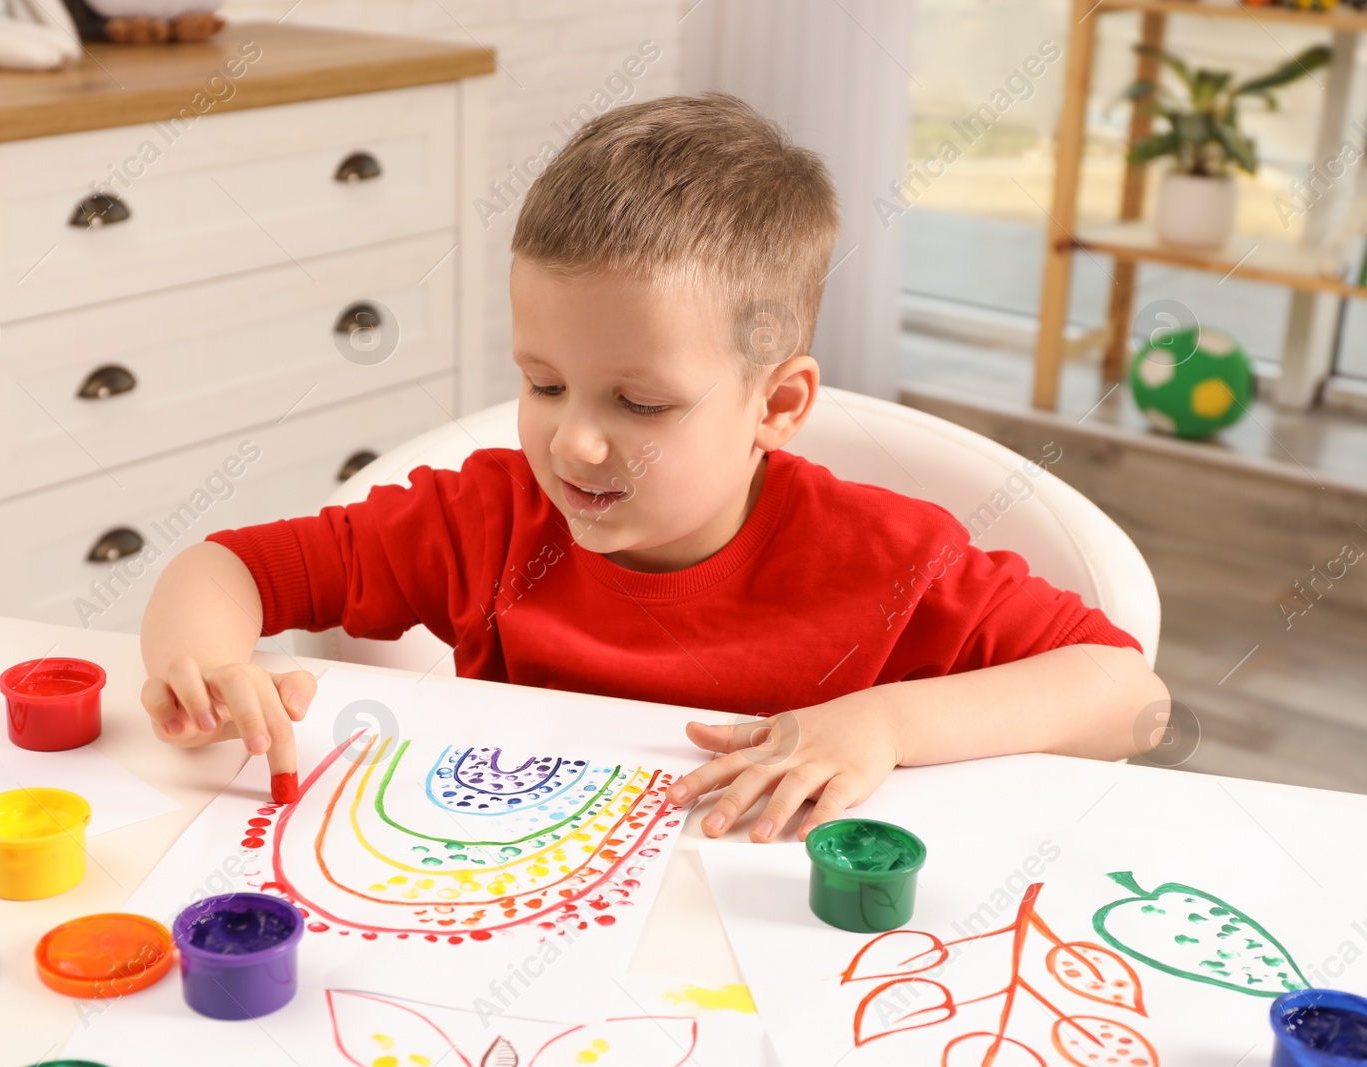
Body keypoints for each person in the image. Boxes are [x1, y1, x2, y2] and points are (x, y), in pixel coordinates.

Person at [138, 92, 1168, 842]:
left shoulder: (887, 555)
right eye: (543, 383)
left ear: (776, 405)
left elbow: (1129, 698)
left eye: (638, 403)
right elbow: (225, 565)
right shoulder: (485, 519)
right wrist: (208, 665)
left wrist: (885, 721)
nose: (574, 442)